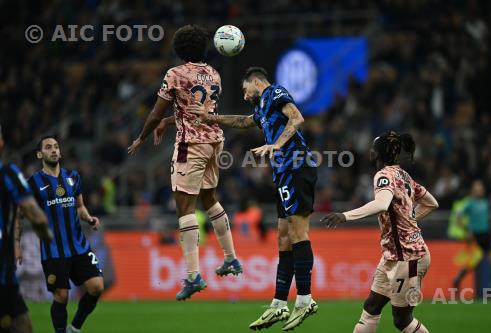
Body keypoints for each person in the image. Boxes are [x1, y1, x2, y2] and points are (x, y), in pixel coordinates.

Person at [189, 67, 318, 331]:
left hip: (296, 165)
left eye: (245, 89)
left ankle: (305, 299)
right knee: (284, 236)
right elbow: (244, 121)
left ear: (256, 82)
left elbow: (297, 118)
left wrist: (277, 145)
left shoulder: (275, 92)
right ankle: (279, 303)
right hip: (283, 171)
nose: (245, 95)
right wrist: (210, 118)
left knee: (298, 232)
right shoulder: (262, 108)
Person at [127, 24, 242, 301]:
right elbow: (196, 110)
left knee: (184, 207)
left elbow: (156, 112)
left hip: (190, 145)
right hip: (215, 140)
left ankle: (192, 275)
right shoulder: (213, 73)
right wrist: (170, 122)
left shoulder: (175, 74)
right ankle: (231, 258)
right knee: (209, 198)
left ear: (178, 50)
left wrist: (142, 137)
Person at [322, 131, 439, 333]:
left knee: (402, 320)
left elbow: (382, 204)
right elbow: (431, 203)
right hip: (394, 256)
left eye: (372, 149)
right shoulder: (404, 175)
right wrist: (409, 220)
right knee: (372, 306)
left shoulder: (383, 175)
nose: (369, 152)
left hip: (409, 257)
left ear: (378, 154)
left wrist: (345, 216)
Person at [17, 135, 104, 333]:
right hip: (53, 250)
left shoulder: (73, 177)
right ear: (40, 154)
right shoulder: (33, 183)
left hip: (79, 246)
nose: (54, 150)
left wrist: (89, 218)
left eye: (56, 147)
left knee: (96, 286)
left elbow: (80, 206)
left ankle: (74, 328)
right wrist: (16, 244)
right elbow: (19, 215)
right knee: (61, 295)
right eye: (48, 147)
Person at [0, 124, 52, 333]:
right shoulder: (8, 174)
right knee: (22, 327)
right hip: (2, 280)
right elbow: (34, 214)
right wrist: (46, 235)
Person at [457, 180, 491, 298]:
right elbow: (458, 215)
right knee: (474, 263)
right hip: (475, 236)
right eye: (476, 188)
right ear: (473, 190)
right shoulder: (470, 203)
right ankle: (459, 279)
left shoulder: (486, 202)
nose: (479, 190)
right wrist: (467, 230)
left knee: (489, 261)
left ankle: (487, 290)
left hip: (486, 235)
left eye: (480, 188)